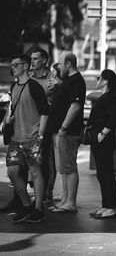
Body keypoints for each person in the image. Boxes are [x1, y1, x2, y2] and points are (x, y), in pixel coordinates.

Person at [4, 54, 49, 222]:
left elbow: (45, 111)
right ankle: (26, 205)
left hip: (32, 137)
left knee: (35, 172)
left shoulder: (34, 86)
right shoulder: (14, 86)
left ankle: (38, 209)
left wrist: (41, 134)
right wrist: (7, 119)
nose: (12, 67)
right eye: (12, 65)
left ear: (25, 66)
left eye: (16, 65)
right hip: (16, 138)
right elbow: (11, 107)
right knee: (12, 171)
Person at [48, 52, 86, 213]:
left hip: (68, 132)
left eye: (61, 64)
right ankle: (65, 199)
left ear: (68, 64)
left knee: (68, 167)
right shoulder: (68, 81)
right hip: (61, 131)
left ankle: (70, 202)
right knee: (63, 167)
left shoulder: (76, 81)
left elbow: (75, 106)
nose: (59, 67)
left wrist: (63, 128)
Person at [87, 69, 116, 219]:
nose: (97, 81)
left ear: (105, 81)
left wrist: (103, 133)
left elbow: (114, 117)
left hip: (104, 140)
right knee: (102, 173)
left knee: (106, 173)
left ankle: (111, 208)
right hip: (100, 139)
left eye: (98, 78)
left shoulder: (108, 97)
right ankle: (106, 205)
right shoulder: (108, 96)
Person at [29, 48, 59, 204]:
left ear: (44, 61)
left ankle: (47, 192)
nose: (32, 61)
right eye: (31, 58)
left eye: (35, 58)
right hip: (28, 123)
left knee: (46, 158)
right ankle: (36, 188)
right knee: (29, 158)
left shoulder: (53, 80)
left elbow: (59, 103)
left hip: (45, 124)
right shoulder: (28, 77)